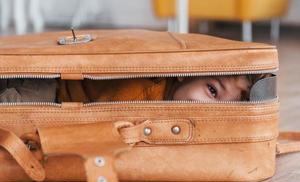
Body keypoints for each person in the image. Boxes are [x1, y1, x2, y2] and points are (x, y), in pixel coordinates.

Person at [0, 75, 266, 103]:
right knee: (10, 104)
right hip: (56, 92)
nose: (209, 110)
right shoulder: (144, 95)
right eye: (211, 90)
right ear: (188, 75)